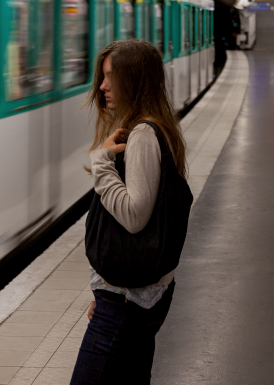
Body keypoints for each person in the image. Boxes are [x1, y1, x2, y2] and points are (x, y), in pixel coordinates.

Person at [70, 39, 187, 385]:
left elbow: (134, 216)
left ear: (133, 79)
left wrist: (101, 162)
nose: (102, 86)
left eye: (110, 76)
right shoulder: (157, 127)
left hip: (127, 302)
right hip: (131, 298)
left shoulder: (143, 136)